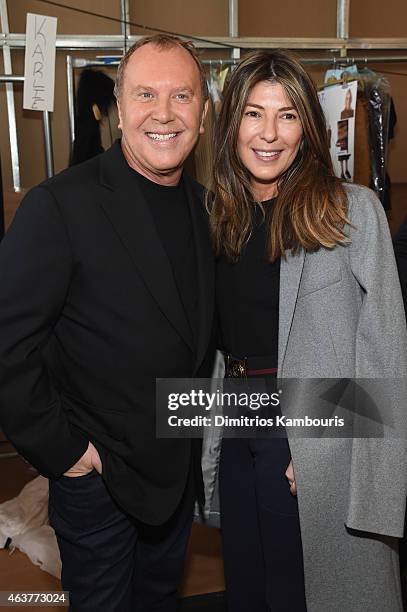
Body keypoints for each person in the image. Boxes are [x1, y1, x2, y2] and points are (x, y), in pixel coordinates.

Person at [0, 34, 215, 611]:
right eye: (146, 94)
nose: (164, 113)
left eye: (182, 95)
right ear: (120, 109)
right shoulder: (60, 206)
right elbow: (7, 345)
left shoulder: (207, 206)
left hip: (174, 476)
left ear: (202, 110)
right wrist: (65, 452)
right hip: (98, 480)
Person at [205, 50, 407, 612]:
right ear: (230, 127)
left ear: (308, 128)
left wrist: (321, 438)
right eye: (253, 113)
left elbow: (384, 349)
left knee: (313, 592)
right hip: (237, 427)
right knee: (250, 587)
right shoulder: (217, 216)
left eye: (288, 115)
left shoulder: (351, 213)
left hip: (311, 431)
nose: (269, 133)